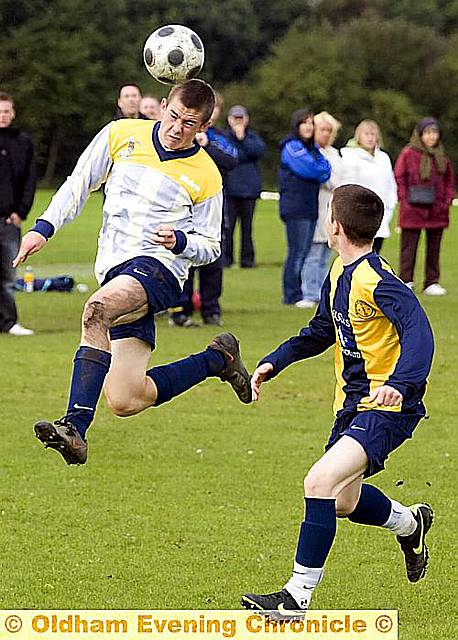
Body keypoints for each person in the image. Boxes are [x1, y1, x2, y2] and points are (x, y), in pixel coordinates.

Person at [13, 79, 252, 466]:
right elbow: (78, 185)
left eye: (189, 123)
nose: (177, 128)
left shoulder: (207, 175)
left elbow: (212, 247)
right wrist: (43, 228)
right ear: (160, 106)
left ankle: (74, 426)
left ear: (203, 128)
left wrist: (180, 241)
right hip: (115, 267)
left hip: (159, 270)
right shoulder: (120, 134)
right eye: (173, 116)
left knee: (96, 310)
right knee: (126, 398)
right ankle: (218, 360)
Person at [242, 184, 434, 613]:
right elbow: (320, 331)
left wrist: (399, 384)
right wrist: (277, 360)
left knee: (318, 482)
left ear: (336, 226)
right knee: (342, 500)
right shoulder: (338, 273)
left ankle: (296, 597)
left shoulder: (379, 281)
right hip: (351, 408)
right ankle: (410, 523)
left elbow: (420, 334)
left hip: (387, 407)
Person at [170, 93, 239, 327]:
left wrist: (208, 146)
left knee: (213, 260)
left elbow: (232, 160)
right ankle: (180, 309)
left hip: (213, 206)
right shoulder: (178, 135)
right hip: (183, 207)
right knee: (183, 257)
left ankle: (211, 310)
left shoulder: (217, 137)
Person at [394, 117, 455, 295]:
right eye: (428, 133)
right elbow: (399, 177)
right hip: (412, 208)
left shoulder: (441, 156)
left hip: (437, 209)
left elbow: (449, 181)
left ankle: (431, 282)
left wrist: (446, 200)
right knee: (408, 247)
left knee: (434, 248)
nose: (431, 137)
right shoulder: (408, 153)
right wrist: (404, 198)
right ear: (420, 134)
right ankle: (406, 280)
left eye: (434, 133)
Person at [279, 109, 331, 306]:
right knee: (297, 252)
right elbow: (310, 169)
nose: (308, 127)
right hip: (295, 207)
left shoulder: (312, 149)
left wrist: (318, 170)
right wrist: (318, 170)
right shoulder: (292, 146)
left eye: (311, 123)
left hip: (310, 206)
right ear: (297, 126)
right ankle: (291, 295)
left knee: (305, 250)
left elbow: (325, 169)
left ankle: (301, 291)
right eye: (304, 123)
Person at [0, 91, 36, 336]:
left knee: (7, 273)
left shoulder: (22, 143)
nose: (2, 115)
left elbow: (29, 180)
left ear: (13, 113)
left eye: (6, 111)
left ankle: (8, 322)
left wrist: (21, 211)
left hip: (8, 220)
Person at [300, 111, 344, 308]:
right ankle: (309, 292)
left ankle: (322, 292)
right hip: (315, 204)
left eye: (329, 130)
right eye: (322, 129)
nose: (326, 134)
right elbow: (325, 178)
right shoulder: (310, 152)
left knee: (326, 252)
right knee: (313, 251)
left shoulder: (336, 153)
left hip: (332, 205)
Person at [341, 119, 397, 254]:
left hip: (381, 216)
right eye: (366, 134)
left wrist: (389, 208)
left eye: (373, 134)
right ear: (359, 135)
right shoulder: (349, 156)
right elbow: (346, 186)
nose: (370, 138)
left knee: (374, 257)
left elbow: (391, 186)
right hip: (358, 218)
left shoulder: (383, 158)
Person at [224, 105, 266, 268]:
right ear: (229, 120)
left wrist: (242, 139)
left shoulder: (253, 137)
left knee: (247, 229)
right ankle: (226, 259)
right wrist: (240, 146)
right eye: (235, 118)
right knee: (228, 228)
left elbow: (258, 151)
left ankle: (247, 260)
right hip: (230, 190)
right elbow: (232, 156)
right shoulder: (224, 137)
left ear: (246, 119)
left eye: (241, 118)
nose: (238, 122)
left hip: (249, 191)